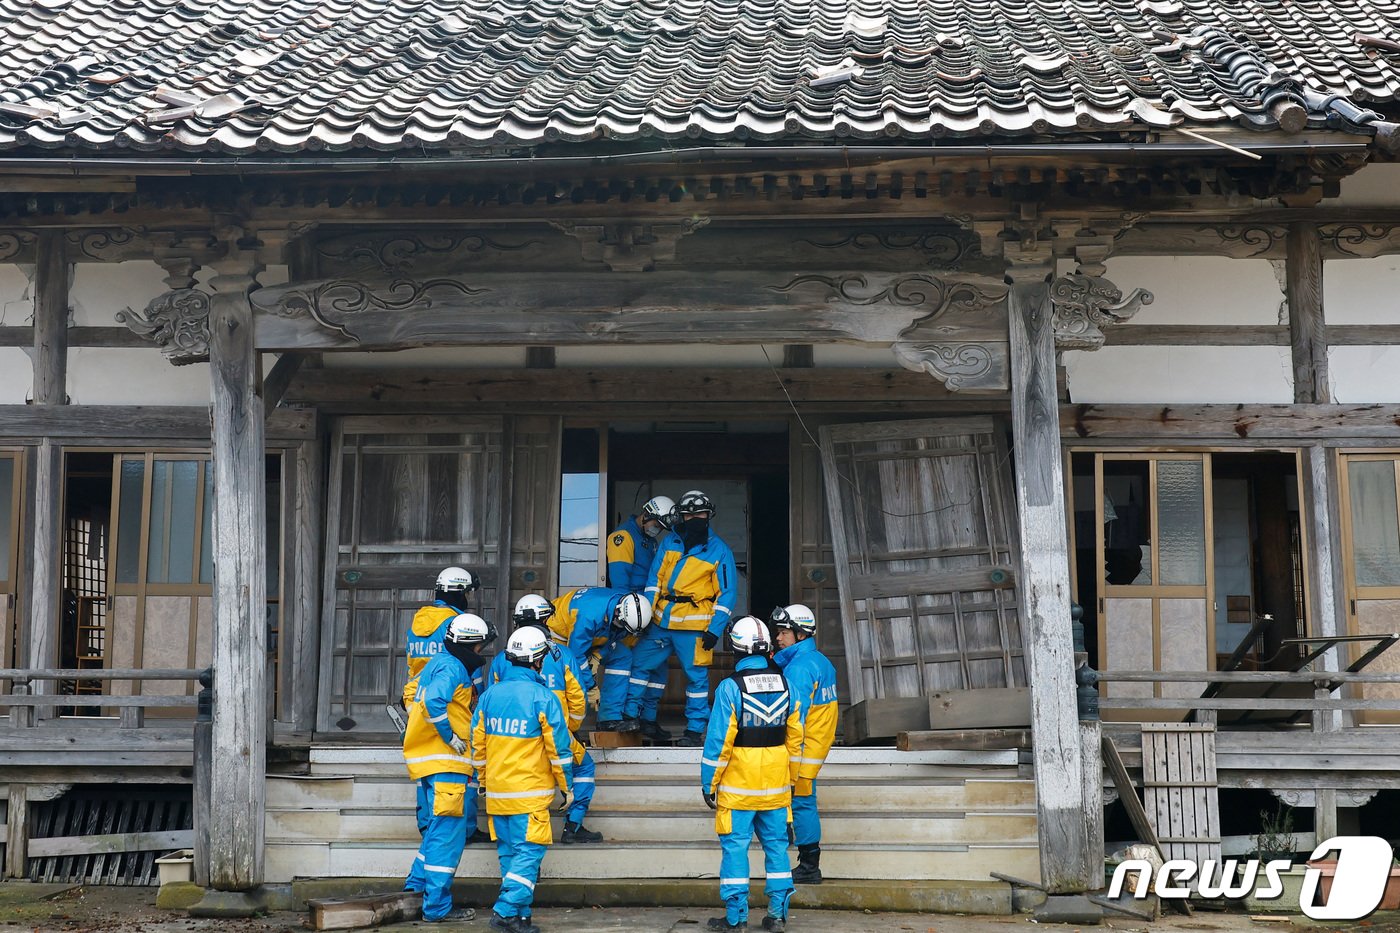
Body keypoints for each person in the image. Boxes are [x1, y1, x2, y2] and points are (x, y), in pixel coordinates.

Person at [701, 616, 803, 933]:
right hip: (776, 786)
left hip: (737, 788)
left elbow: (719, 742)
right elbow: (796, 740)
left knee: (735, 850)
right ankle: (777, 916)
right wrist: (792, 779)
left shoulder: (730, 688)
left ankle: (736, 919)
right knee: (777, 849)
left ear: (735, 648)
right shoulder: (789, 685)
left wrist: (709, 783)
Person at [472, 626, 574, 933]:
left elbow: (478, 746)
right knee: (529, 854)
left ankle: (520, 917)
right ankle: (505, 911)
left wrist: (484, 780)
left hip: (498, 793)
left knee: (510, 858)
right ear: (538, 660)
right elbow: (558, 749)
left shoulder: (489, 696)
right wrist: (567, 787)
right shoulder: (543, 697)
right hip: (529, 794)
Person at [625, 490, 738, 747]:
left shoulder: (719, 550)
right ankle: (636, 719)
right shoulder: (670, 541)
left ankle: (695, 730)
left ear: (709, 515)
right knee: (641, 668)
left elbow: (728, 593)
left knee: (696, 679)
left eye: (700, 514)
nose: (695, 518)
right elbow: (655, 581)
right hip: (661, 620)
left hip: (696, 625)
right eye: (689, 514)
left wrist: (715, 629)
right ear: (682, 516)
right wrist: (644, 617)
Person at [401, 612, 491, 924]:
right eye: (480, 646)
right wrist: (450, 735)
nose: (481, 651)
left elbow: (413, 696)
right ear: (470, 645)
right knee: (447, 835)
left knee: (437, 831)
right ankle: (436, 906)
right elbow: (436, 702)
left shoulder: (437, 662)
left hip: (428, 762)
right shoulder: (453, 667)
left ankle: (414, 888)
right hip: (448, 763)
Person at [487, 595, 600, 844]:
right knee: (585, 767)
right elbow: (578, 699)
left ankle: (516, 837)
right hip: (558, 734)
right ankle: (573, 824)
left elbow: (490, 701)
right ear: (546, 619)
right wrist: (569, 730)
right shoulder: (563, 654)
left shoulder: (500, 660)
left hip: (514, 738)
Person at [770, 604, 838, 885]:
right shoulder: (821, 661)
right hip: (815, 747)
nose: (778, 638)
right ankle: (809, 864)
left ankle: (809, 867)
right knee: (805, 803)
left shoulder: (798, 669)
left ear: (799, 634)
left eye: (784, 632)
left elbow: (793, 719)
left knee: (801, 805)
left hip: (802, 751)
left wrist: (785, 758)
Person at [546, 587, 652, 732]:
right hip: (558, 635)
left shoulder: (626, 607)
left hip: (589, 635)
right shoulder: (588, 615)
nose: (625, 632)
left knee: (622, 656)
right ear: (617, 613)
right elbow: (576, 654)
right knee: (563, 674)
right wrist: (591, 688)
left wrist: (599, 655)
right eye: (623, 627)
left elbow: (614, 635)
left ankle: (609, 718)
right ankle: (564, 728)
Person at [402, 566, 483, 708]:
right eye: (466, 594)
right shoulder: (458, 625)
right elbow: (473, 665)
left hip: (416, 697)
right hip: (450, 700)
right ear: (459, 593)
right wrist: (480, 695)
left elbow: (411, 666)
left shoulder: (416, 624)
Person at [606, 495, 675, 592]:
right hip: (633, 600)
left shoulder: (651, 541)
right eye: (656, 525)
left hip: (648, 596)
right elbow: (619, 581)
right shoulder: (624, 535)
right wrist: (626, 602)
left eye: (661, 528)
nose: (657, 530)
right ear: (646, 515)